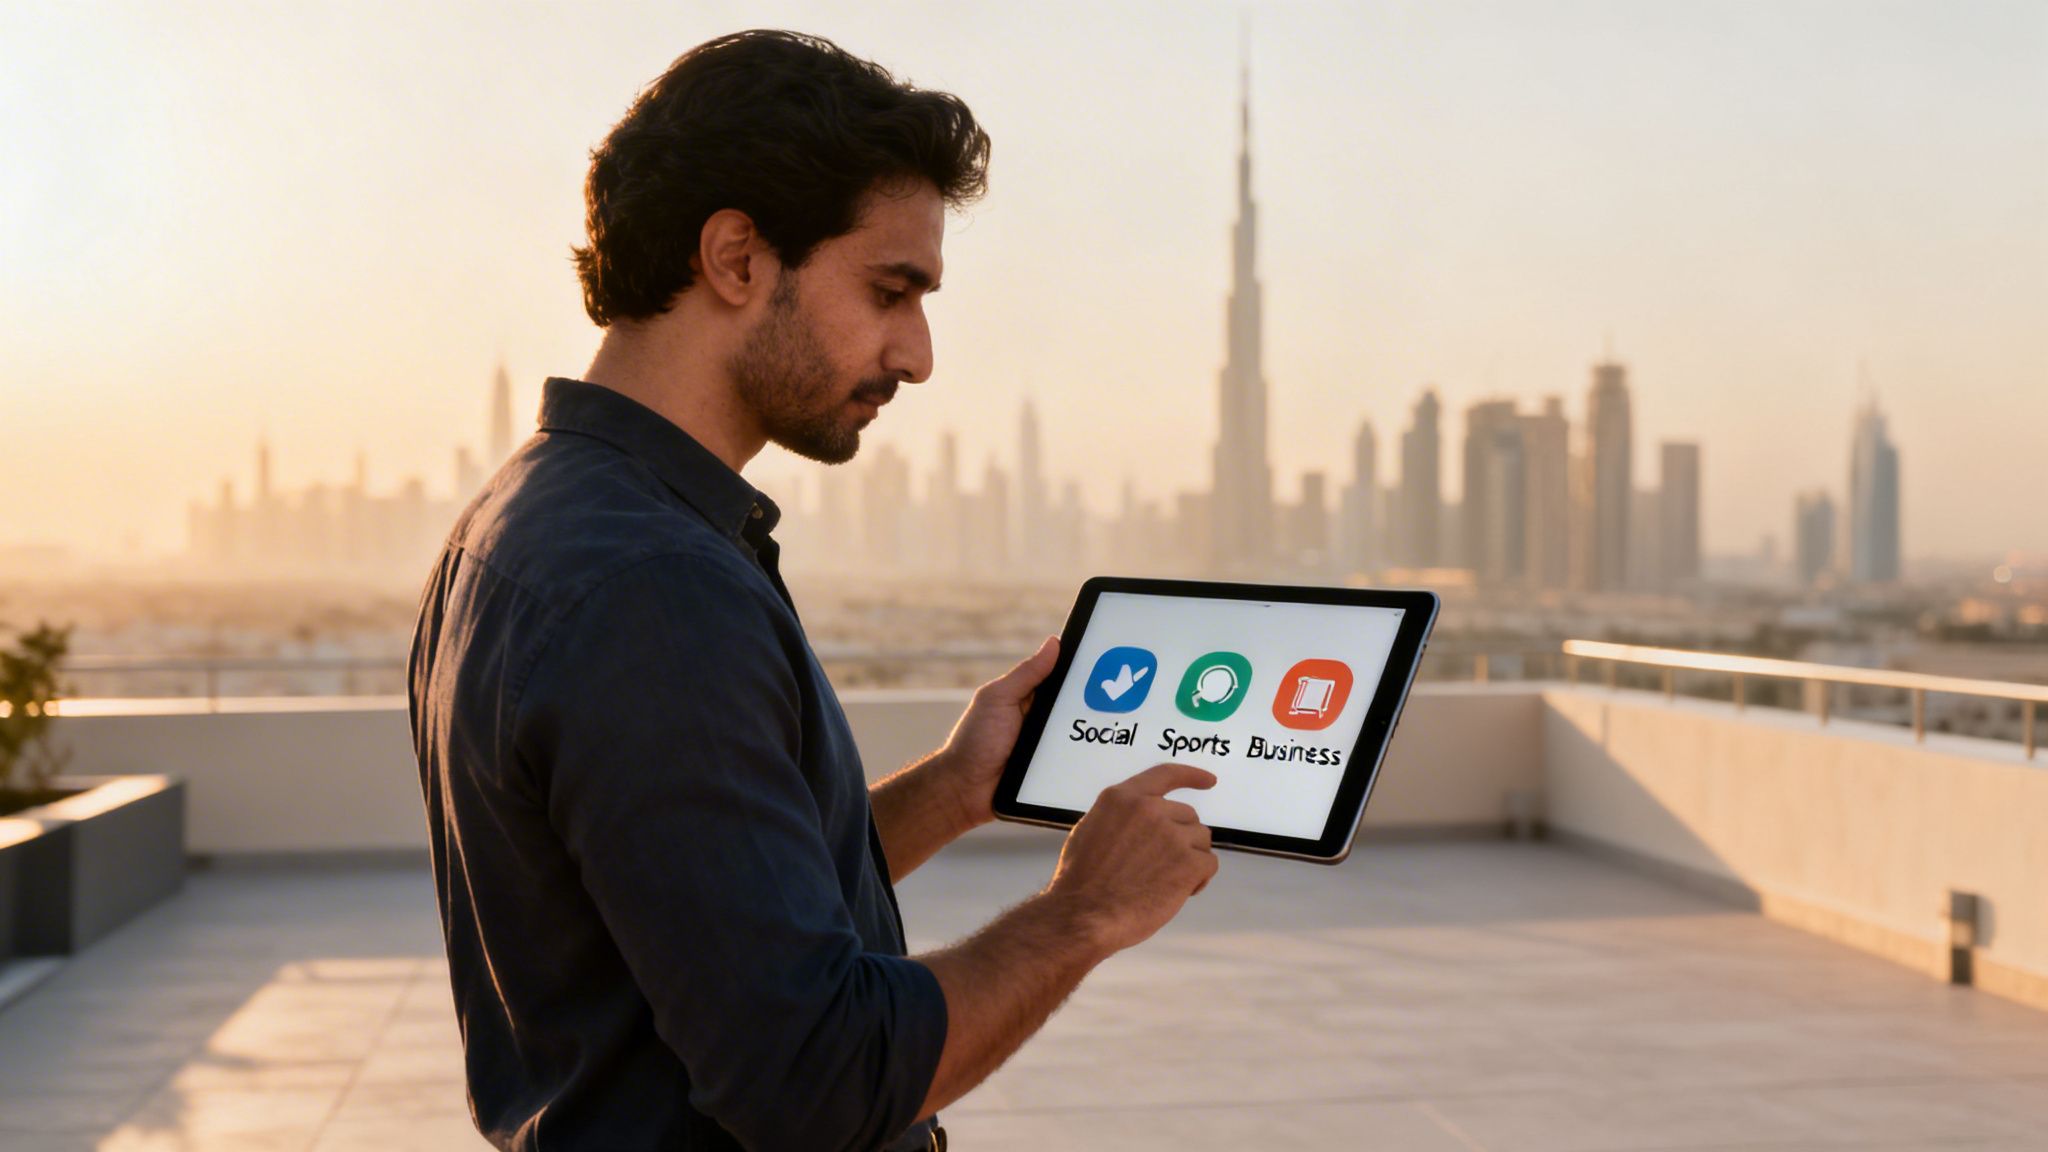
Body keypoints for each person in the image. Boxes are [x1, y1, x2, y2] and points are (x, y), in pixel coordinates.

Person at [409, 30, 1218, 1152]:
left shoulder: (526, 520)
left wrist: (951, 786)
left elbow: (705, 913)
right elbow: (816, 1081)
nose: (920, 352)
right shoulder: (652, 587)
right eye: (890, 290)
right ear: (737, 258)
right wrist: (1084, 913)